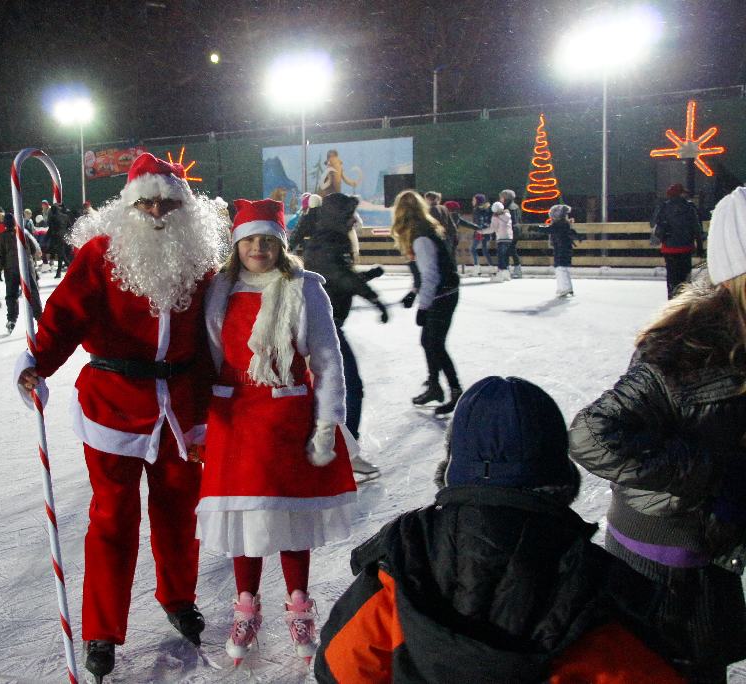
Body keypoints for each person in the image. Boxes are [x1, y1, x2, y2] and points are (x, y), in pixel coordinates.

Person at [316, 377, 683, 684]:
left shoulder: (407, 557)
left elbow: (339, 665)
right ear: (557, 468)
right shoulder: (593, 587)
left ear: (454, 463)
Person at [14, 153, 226, 682]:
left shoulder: (201, 264)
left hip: (179, 408)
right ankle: (102, 628)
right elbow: (64, 315)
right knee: (112, 518)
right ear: (128, 207)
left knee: (179, 512)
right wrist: (35, 362)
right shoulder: (100, 255)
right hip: (113, 403)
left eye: (168, 201)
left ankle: (179, 597)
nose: (157, 210)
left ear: (186, 207)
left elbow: (210, 342)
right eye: (146, 201)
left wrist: (206, 413)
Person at [569, 185, 746, 683]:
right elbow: (590, 434)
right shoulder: (683, 349)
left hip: (715, 548)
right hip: (662, 558)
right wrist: (706, 467)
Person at [196, 198, 358, 664]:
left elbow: (327, 360)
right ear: (237, 245)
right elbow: (209, 353)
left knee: (290, 518)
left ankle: (299, 605)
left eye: (268, 240)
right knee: (244, 518)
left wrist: (327, 424)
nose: (259, 248)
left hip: (287, 418)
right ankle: (246, 607)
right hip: (234, 419)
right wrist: (201, 421)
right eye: (249, 240)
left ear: (280, 244)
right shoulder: (219, 289)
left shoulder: (304, 288)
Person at [297, 192, 387, 481]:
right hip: (324, 326)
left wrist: (368, 277)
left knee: (333, 389)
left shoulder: (331, 239)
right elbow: (339, 276)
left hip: (327, 323)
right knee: (348, 387)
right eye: (349, 214)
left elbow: (340, 275)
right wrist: (375, 299)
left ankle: (337, 449)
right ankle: (343, 452)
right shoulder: (327, 241)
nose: (354, 220)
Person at [391, 190, 462, 415]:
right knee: (428, 341)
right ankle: (434, 386)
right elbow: (426, 272)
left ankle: (455, 391)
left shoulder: (421, 236)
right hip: (443, 292)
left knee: (435, 343)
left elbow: (431, 274)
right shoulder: (425, 229)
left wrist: (423, 306)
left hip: (442, 294)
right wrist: (414, 291)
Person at [652, 183, 705, 299]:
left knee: (672, 276)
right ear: (681, 194)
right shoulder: (689, 207)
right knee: (685, 275)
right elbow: (697, 228)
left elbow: (654, 224)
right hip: (686, 248)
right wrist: (700, 247)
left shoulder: (663, 207)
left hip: (669, 248)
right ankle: (683, 300)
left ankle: (672, 298)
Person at [0, 213, 40, 333]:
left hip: (11, 269)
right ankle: (39, 317)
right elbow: (34, 248)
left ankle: (11, 319)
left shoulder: (1, 237)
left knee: (11, 294)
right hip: (26, 267)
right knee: (33, 292)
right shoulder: (23, 233)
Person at [531, 204, 581, 297]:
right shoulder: (563, 224)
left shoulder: (560, 224)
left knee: (560, 268)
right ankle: (567, 287)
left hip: (562, 249)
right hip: (563, 248)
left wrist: (536, 228)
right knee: (562, 268)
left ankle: (564, 288)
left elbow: (549, 229)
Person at [457, 193, 492, 275]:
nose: (472, 201)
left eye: (474, 200)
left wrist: (479, 229)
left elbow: (480, 220)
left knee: (473, 249)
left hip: (480, 231)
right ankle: (491, 266)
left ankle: (477, 267)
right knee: (484, 250)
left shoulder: (477, 210)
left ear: (478, 201)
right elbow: (487, 220)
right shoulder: (487, 209)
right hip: (486, 231)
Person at [486, 200, 514, 282]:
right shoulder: (508, 215)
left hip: (501, 238)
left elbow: (492, 229)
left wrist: (482, 231)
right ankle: (506, 274)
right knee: (505, 256)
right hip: (509, 238)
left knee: (501, 256)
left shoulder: (495, 217)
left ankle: (501, 274)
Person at [46, 200, 75, 278]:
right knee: (61, 255)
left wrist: (47, 238)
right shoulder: (65, 216)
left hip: (57, 238)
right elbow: (70, 226)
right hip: (65, 237)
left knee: (61, 255)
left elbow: (50, 229)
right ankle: (59, 273)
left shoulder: (52, 218)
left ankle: (71, 269)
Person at [500, 189, 523, 277]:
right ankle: (513, 269)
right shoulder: (515, 206)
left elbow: (509, 220)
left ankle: (510, 269)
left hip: (511, 231)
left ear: (506, 198)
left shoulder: (509, 207)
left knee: (509, 250)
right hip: (515, 230)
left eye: (501, 197)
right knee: (511, 250)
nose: (500, 199)